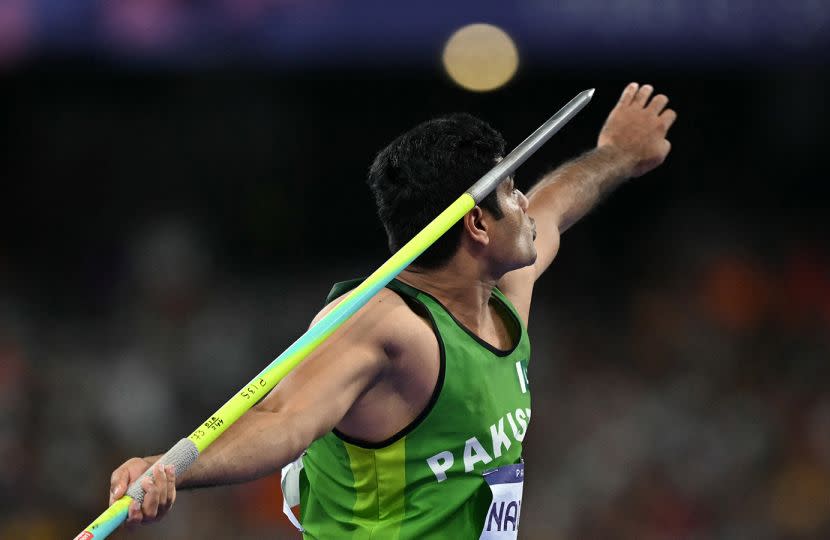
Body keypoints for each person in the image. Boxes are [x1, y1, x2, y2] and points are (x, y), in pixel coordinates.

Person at [108, 82, 676, 538]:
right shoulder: (387, 325)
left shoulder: (501, 301)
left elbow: (554, 206)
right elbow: (285, 421)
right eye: (509, 191)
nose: (524, 199)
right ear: (476, 224)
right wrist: (173, 466)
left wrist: (617, 155)